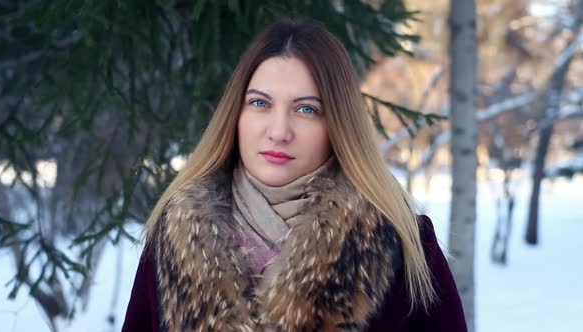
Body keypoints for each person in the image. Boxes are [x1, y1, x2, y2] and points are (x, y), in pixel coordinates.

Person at [122, 18, 467, 332]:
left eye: (306, 109)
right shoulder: (174, 239)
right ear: (236, 114)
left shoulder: (403, 244)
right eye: (260, 103)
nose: (279, 130)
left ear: (338, 124)